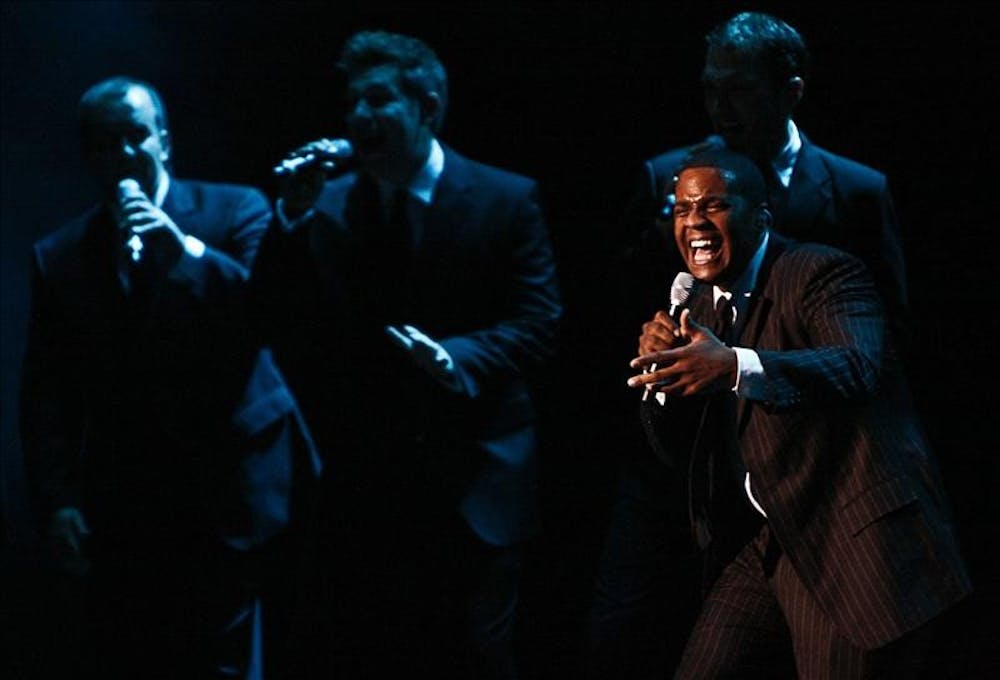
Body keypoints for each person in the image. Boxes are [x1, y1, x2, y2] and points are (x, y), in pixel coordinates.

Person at [590, 12, 910, 677]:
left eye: (738, 90)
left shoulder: (853, 192)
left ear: (790, 90)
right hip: (699, 464)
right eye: (711, 90)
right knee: (633, 637)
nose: (720, 107)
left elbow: (877, 349)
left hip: (819, 481)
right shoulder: (671, 180)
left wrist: (738, 362)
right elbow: (633, 312)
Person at [251, 30, 562, 678]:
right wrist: (291, 218)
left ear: (428, 105)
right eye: (352, 104)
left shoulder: (506, 199)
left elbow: (539, 324)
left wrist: (457, 358)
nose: (359, 117)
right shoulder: (331, 208)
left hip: (479, 480)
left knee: (476, 657)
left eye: (378, 100)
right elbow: (278, 318)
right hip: (372, 490)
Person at [625, 144, 971, 677]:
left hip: (853, 541)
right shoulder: (696, 305)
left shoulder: (821, 273)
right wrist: (664, 378)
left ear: (760, 216)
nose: (695, 223)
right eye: (682, 209)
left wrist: (736, 365)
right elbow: (677, 452)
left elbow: (856, 366)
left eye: (713, 206)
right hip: (774, 537)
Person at [19, 76, 322, 679]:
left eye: (136, 136)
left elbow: (265, 312)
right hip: (132, 494)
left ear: (165, 141)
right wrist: (57, 501)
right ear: (88, 156)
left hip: (234, 481)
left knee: (231, 656)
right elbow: (48, 389)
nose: (125, 155)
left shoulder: (235, 210)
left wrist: (183, 251)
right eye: (106, 143)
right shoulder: (59, 256)